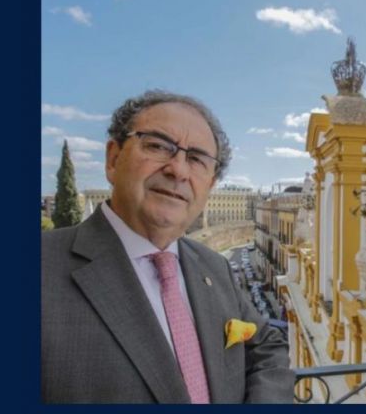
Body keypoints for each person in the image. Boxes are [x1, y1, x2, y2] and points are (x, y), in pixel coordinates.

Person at [41, 90, 295, 403]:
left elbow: (267, 345)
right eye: (159, 146)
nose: (179, 170)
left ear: (210, 186)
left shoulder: (213, 266)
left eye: (197, 159)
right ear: (113, 158)